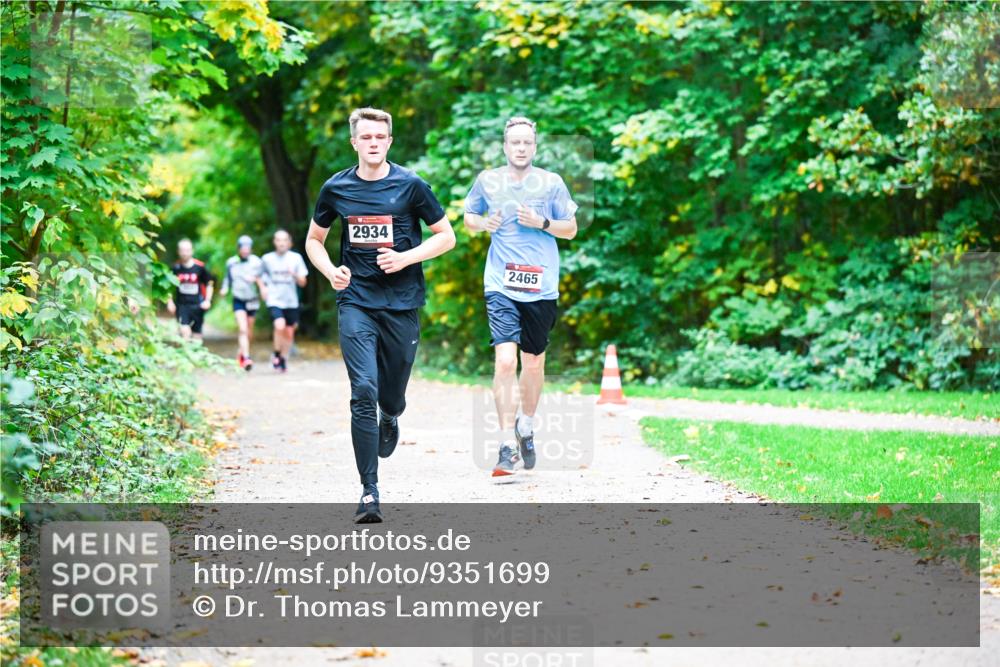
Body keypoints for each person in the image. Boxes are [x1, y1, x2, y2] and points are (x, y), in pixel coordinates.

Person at [305, 107, 455, 523]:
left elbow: (447, 237)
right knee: (362, 391)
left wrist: (406, 257)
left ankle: (392, 414)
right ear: (354, 142)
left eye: (380, 137)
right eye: (366, 137)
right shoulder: (336, 188)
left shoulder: (411, 186)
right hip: (356, 301)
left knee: (390, 396)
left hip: (402, 303)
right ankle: (369, 491)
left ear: (389, 141)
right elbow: (314, 241)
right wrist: (330, 271)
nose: (373, 143)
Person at [463, 116, 579, 478]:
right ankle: (505, 445)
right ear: (505, 146)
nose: (521, 148)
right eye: (515, 142)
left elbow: (571, 229)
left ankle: (525, 426)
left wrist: (542, 223)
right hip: (500, 283)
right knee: (505, 362)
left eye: (527, 142)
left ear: (535, 146)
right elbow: (468, 216)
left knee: (533, 364)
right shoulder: (488, 181)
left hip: (541, 286)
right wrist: (484, 224)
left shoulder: (551, 184)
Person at [261, 230, 309, 372]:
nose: (281, 243)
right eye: (278, 240)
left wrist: (294, 274)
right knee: (279, 325)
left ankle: (283, 358)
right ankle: (276, 353)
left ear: (289, 242)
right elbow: (260, 277)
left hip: (291, 301)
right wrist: (263, 288)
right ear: (274, 242)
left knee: (289, 332)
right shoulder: (267, 259)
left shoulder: (296, 258)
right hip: (274, 299)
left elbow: (303, 282)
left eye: (284, 240)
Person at [219, 235, 267, 370]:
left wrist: (259, 284)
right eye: (243, 248)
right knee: (243, 328)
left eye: (248, 248)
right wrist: (224, 289)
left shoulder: (257, 262)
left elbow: (263, 279)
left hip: (252, 299)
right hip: (238, 298)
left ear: (251, 249)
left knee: (249, 331)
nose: (245, 251)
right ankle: (246, 358)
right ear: (238, 249)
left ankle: (241, 355)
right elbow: (227, 280)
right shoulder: (231, 262)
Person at [166, 238, 214, 341]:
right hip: (181, 305)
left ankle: (195, 356)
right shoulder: (175, 268)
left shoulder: (200, 267)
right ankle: (185, 354)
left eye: (187, 250)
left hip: (197, 306)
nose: (185, 253)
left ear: (192, 251)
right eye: (182, 250)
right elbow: (168, 286)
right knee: (185, 332)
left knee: (197, 338)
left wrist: (207, 301)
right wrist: (169, 302)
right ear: (178, 252)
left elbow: (209, 284)